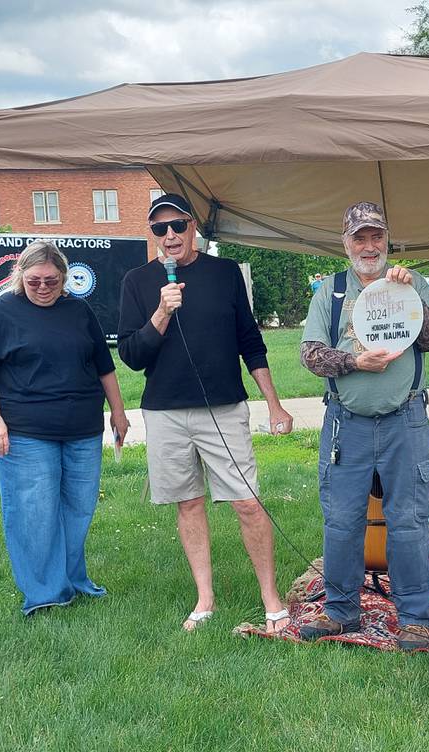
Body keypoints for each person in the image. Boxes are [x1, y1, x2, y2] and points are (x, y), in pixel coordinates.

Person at [118, 192, 294, 632]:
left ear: (193, 226)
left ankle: (271, 598)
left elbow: (250, 341)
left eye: (178, 225)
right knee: (189, 504)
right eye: (160, 229)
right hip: (165, 413)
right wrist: (160, 312)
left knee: (248, 503)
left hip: (224, 407)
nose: (170, 235)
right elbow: (132, 355)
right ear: (153, 235)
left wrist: (273, 402)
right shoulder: (137, 282)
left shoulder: (224, 273)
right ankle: (205, 598)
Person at [298, 201, 429, 650]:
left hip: (406, 419)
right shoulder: (332, 291)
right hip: (347, 424)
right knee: (342, 520)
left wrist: (412, 300)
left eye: (376, 237)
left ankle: (417, 618)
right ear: (346, 243)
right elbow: (310, 355)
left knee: (409, 520)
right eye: (359, 238)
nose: (369, 246)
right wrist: (353, 361)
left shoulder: (411, 283)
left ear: (387, 240)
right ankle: (341, 612)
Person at [0, 240, 129, 616]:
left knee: (78, 508)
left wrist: (118, 412)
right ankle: (45, 593)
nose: (43, 287)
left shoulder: (79, 310)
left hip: (83, 429)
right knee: (33, 512)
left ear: (64, 277)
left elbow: (104, 366)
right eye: (35, 280)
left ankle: (73, 580)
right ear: (20, 276)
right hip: (25, 432)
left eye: (52, 281)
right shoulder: (3, 311)